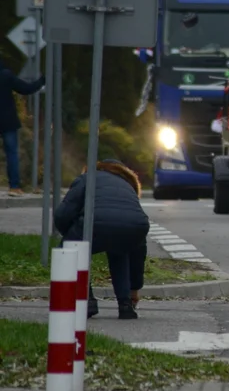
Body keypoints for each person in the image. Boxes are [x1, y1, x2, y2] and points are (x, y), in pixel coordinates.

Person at [53, 159, 150, 320]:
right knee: (120, 252)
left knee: (69, 250)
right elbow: (138, 254)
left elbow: (64, 213)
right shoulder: (127, 185)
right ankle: (126, 305)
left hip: (97, 224)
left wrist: (70, 236)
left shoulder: (87, 178)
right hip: (137, 226)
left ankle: (87, 300)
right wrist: (135, 288)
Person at [0, 57, 45, 195]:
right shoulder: (6, 75)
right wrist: (42, 80)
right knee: (11, 153)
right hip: (7, 120)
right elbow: (26, 89)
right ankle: (14, 186)